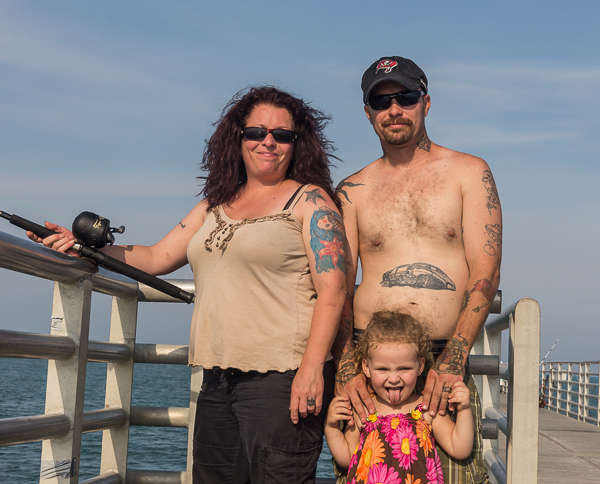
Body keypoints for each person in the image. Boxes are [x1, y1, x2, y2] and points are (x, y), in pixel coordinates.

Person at [28, 86, 347, 483]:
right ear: (238, 137)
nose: (269, 141)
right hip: (217, 377)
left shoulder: (310, 202)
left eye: (282, 135)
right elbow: (155, 257)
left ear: (297, 144)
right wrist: (83, 248)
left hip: (281, 379)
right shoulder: (214, 204)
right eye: (256, 132)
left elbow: (334, 289)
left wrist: (312, 369)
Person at [332, 56, 502, 483]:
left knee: (457, 472)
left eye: (405, 97)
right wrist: (348, 366)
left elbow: (486, 272)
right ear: (368, 111)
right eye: (381, 100)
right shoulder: (352, 190)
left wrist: (451, 362)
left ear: (425, 102)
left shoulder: (469, 172)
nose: (394, 109)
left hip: (445, 355)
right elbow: (337, 286)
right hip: (370, 362)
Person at [326, 311, 473, 483]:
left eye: (404, 368)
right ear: (366, 367)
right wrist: (331, 427)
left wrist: (464, 409)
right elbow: (346, 457)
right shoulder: (363, 410)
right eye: (383, 369)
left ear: (420, 366)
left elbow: (459, 448)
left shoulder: (427, 409)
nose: (394, 378)